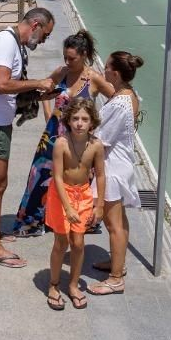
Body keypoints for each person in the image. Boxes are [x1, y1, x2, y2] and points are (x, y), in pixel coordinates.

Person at [0, 8, 56, 268]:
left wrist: (39, 94)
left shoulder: (12, 43)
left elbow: (7, 90)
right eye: (45, 35)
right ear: (36, 24)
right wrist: (38, 82)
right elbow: (2, 84)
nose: (43, 41)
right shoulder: (7, 43)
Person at [15, 30, 108, 238]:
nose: (68, 61)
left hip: (80, 140)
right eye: (65, 57)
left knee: (77, 179)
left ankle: (81, 218)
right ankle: (32, 221)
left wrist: (97, 125)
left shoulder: (94, 79)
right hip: (54, 135)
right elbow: (43, 90)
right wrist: (49, 114)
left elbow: (116, 100)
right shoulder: (62, 72)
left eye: (72, 58)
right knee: (39, 177)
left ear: (84, 55)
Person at [88, 51, 143, 296]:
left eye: (107, 67)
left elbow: (102, 140)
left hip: (112, 168)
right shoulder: (128, 94)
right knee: (119, 219)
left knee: (113, 224)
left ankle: (115, 278)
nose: (104, 70)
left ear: (116, 73)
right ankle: (116, 262)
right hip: (121, 164)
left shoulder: (119, 103)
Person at [45, 98, 105, 311]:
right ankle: (53, 284)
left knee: (78, 243)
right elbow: (58, 177)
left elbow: (100, 175)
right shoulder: (61, 143)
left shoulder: (96, 145)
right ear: (68, 121)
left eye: (85, 119)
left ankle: (72, 284)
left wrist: (99, 206)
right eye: (75, 118)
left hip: (84, 195)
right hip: (61, 196)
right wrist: (67, 207)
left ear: (92, 122)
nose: (80, 123)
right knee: (61, 242)